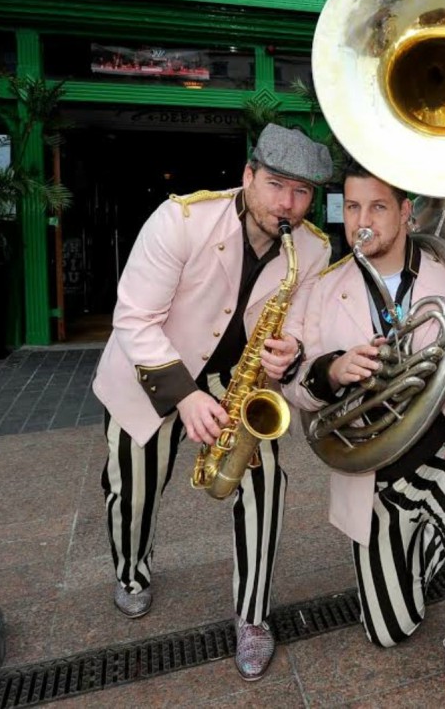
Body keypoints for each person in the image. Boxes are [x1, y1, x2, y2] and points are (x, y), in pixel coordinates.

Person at [91, 125, 333, 680]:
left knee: (266, 479)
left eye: (301, 192)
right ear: (248, 177)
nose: (287, 204)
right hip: (152, 371)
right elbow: (132, 318)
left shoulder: (313, 248)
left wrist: (294, 346)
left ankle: (252, 615)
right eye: (276, 185)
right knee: (133, 487)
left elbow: (304, 322)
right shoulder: (181, 221)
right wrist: (185, 397)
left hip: (236, 379)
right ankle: (131, 572)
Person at [283, 161, 445, 693]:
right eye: (350, 207)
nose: (360, 221)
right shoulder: (322, 288)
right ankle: (435, 542)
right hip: (373, 470)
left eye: (376, 207)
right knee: (388, 630)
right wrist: (331, 370)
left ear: (407, 212)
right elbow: (295, 384)